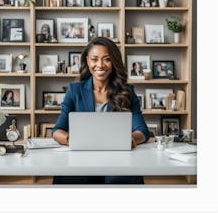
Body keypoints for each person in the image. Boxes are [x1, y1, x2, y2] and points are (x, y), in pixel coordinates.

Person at [52, 37, 150, 184]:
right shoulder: (75, 90)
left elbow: (142, 131)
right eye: (95, 59)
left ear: (114, 62)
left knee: (119, 179)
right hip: (82, 157)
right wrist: (73, 140)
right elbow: (57, 130)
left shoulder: (127, 91)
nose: (100, 65)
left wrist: (132, 139)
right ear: (87, 61)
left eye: (106, 59)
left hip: (118, 158)